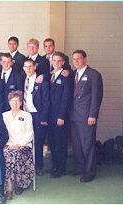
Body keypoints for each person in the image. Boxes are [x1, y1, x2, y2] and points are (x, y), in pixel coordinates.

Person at [68, 50, 103, 183]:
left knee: (87, 144)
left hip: (86, 116)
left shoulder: (94, 75)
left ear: (85, 59)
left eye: (78, 58)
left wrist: (93, 115)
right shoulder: (73, 74)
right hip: (74, 115)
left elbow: (96, 96)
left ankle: (89, 171)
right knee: (76, 144)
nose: (76, 61)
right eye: (74, 59)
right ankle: (80, 166)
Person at [2, 91, 35, 200]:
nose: (15, 103)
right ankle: (9, 188)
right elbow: (1, 134)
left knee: (16, 154)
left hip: (24, 146)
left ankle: (18, 183)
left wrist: (19, 145)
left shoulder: (27, 115)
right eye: (12, 101)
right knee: (7, 154)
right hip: (8, 145)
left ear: (21, 102)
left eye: (17, 101)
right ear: (9, 102)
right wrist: (8, 145)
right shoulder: (4, 116)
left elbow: (30, 134)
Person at [22, 59, 50, 176]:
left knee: (38, 142)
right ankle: (25, 166)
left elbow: (46, 101)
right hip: (24, 115)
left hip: (37, 115)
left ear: (34, 67)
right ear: (23, 68)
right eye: (26, 67)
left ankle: (38, 166)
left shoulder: (41, 81)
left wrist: (43, 118)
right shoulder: (21, 79)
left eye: (30, 66)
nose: (28, 69)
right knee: (24, 141)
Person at [47, 52, 72, 178]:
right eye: (54, 60)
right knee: (52, 142)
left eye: (58, 61)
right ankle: (54, 166)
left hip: (59, 116)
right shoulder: (51, 75)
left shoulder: (65, 76)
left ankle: (61, 168)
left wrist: (61, 116)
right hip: (50, 116)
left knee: (60, 143)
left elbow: (66, 98)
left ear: (63, 62)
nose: (56, 63)